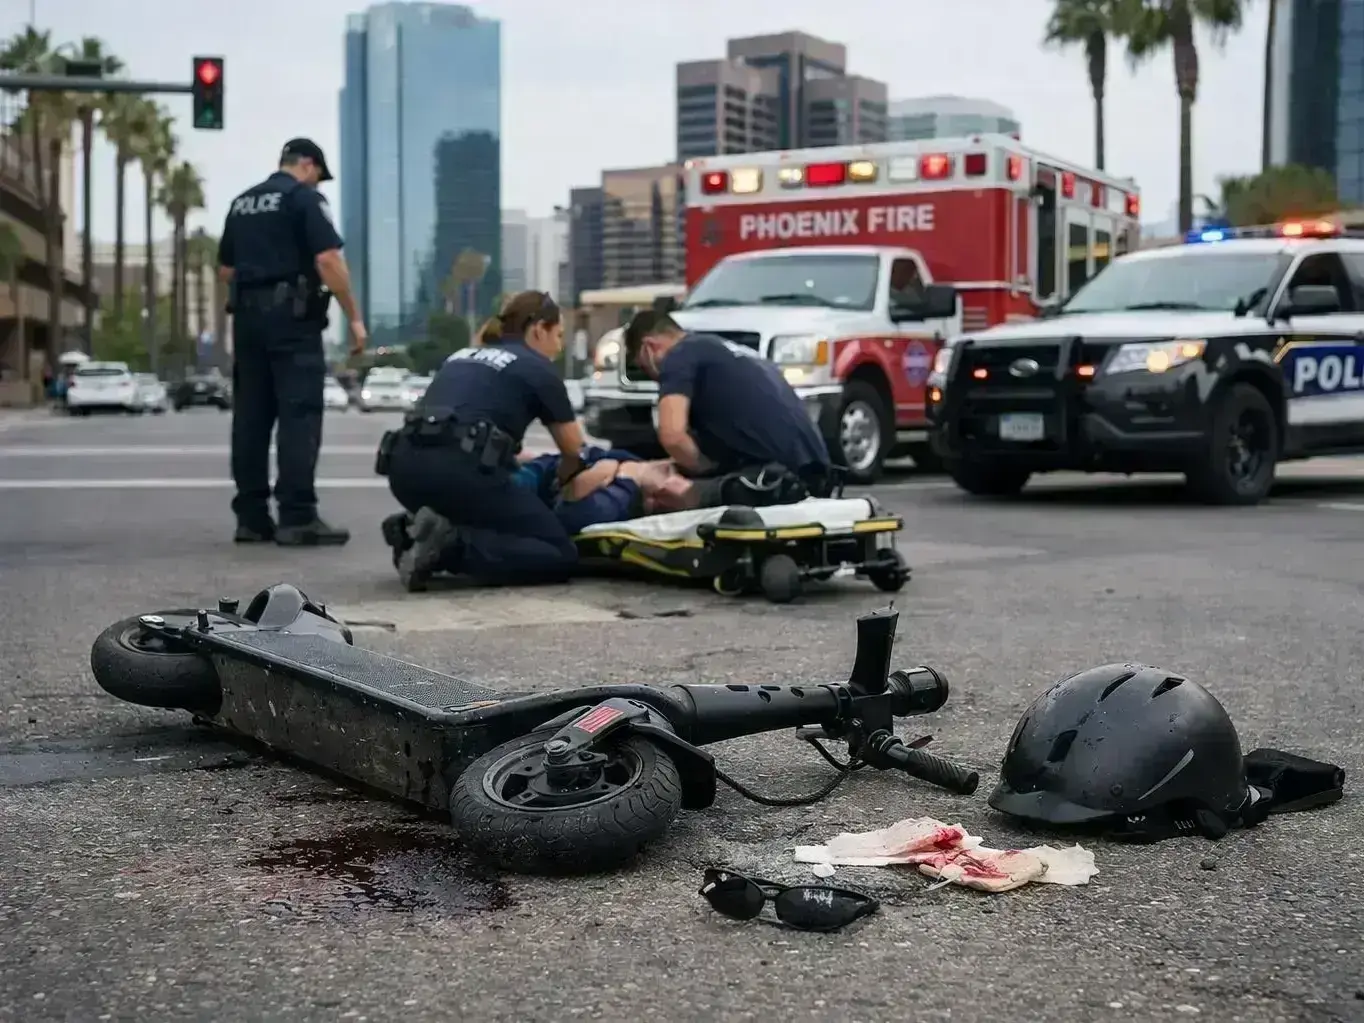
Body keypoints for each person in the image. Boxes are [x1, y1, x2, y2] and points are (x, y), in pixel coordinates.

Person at [383, 290, 588, 592]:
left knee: (489, 510)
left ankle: (414, 533)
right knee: (557, 553)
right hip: (459, 476)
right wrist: (559, 484)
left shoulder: (462, 356)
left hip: (403, 471)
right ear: (538, 329)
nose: (558, 347)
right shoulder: (537, 367)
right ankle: (448, 547)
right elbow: (574, 450)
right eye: (558, 335)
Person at [218, 138, 366, 547]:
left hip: (247, 321)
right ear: (307, 164)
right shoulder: (303, 200)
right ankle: (297, 515)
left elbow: (226, 270)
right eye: (318, 175)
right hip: (292, 320)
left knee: (250, 416)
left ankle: (251, 517)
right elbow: (328, 260)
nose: (318, 184)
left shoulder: (242, 202)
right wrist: (353, 316)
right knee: (299, 415)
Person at [621, 309, 833, 503]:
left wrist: (703, 468)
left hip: (771, 481)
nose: (651, 376)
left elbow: (673, 437)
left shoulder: (680, 355)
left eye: (643, 367)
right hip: (817, 473)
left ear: (649, 348)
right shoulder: (732, 352)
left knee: (661, 494)